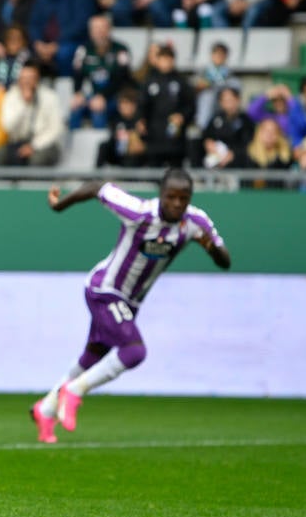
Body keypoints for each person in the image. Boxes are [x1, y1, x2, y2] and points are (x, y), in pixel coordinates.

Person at [30, 170, 231, 443]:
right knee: (134, 351)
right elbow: (96, 187)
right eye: (170, 197)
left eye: (183, 199)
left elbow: (225, 261)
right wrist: (59, 205)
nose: (176, 204)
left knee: (91, 357)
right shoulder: (139, 212)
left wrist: (210, 247)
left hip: (131, 302)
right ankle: (74, 391)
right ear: (160, 194)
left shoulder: (195, 222)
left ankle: (46, 409)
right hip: (105, 291)